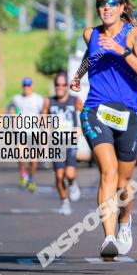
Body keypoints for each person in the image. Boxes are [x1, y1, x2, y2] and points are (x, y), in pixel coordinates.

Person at [70, 0, 137, 259]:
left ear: (121, 7)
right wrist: (78, 76)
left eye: (111, 3)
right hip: (96, 109)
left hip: (129, 112)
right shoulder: (90, 34)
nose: (106, 8)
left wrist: (122, 51)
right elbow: (89, 55)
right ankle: (108, 238)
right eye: (101, 4)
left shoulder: (135, 35)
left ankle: (125, 221)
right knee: (107, 171)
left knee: (123, 181)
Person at [43, 72, 83, 216]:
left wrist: (80, 129)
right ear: (54, 86)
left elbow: (86, 115)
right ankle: (64, 201)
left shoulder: (75, 100)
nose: (60, 87)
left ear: (67, 86)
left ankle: (72, 184)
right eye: (57, 84)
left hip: (70, 140)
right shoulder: (49, 101)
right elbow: (43, 118)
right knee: (59, 176)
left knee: (69, 173)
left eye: (63, 84)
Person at [8, 77, 45, 192]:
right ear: (22, 87)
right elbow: (11, 110)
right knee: (21, 155)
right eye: (24, 85)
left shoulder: (38, 99)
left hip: (34, 132)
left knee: (33, 160)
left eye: (28, 85)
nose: (26, 88)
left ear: (31, 86)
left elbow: (43, 113)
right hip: (21, 131)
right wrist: (13, 118)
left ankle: (31, 179)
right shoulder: (17, 99)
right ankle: (23, 174)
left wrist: (44, 128)